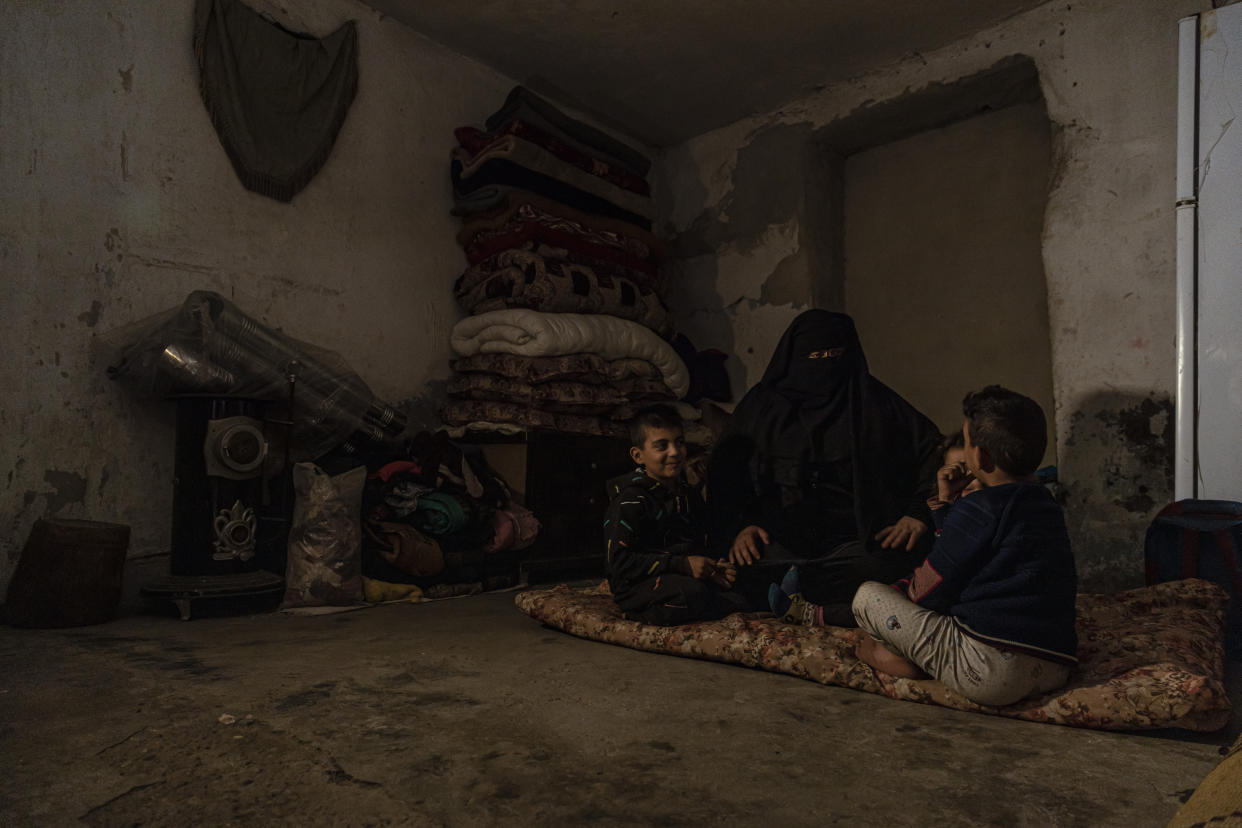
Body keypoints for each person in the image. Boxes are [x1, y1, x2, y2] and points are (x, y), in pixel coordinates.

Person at [707, 310, 943, 625]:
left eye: (835, 355)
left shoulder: (873, 402)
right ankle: (820, 599)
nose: (825, 364)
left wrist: (916, 513)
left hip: (855, 542)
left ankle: (797, 599)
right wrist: (740, 527)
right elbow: (725, 476)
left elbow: (934, 451)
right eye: (815, 355)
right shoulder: (762, 408)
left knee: (900, 557)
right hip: (776, 544)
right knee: (737, 567)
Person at [851, 386, 1078, 706]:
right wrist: (946, 505)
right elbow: (970, 553)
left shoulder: (981, 507)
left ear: (980, 456)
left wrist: (890, 614)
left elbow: (930, 590)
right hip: (1056, 665)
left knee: (867, 596)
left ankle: (887, 656)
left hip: (990, 673)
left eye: (968, 442)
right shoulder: (1045, 504)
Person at [605, 404, 749, 625]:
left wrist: (715, 566)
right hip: (639, 584)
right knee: (692, 594)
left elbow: (701, 540)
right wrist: (683, 565)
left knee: (742, 583)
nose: (674, 452)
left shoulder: (688, 494)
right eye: (662, 446)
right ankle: (634, 616)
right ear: (638, 455)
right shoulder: (630, 501)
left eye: (679, 442)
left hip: (684, 574)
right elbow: (620, 563)